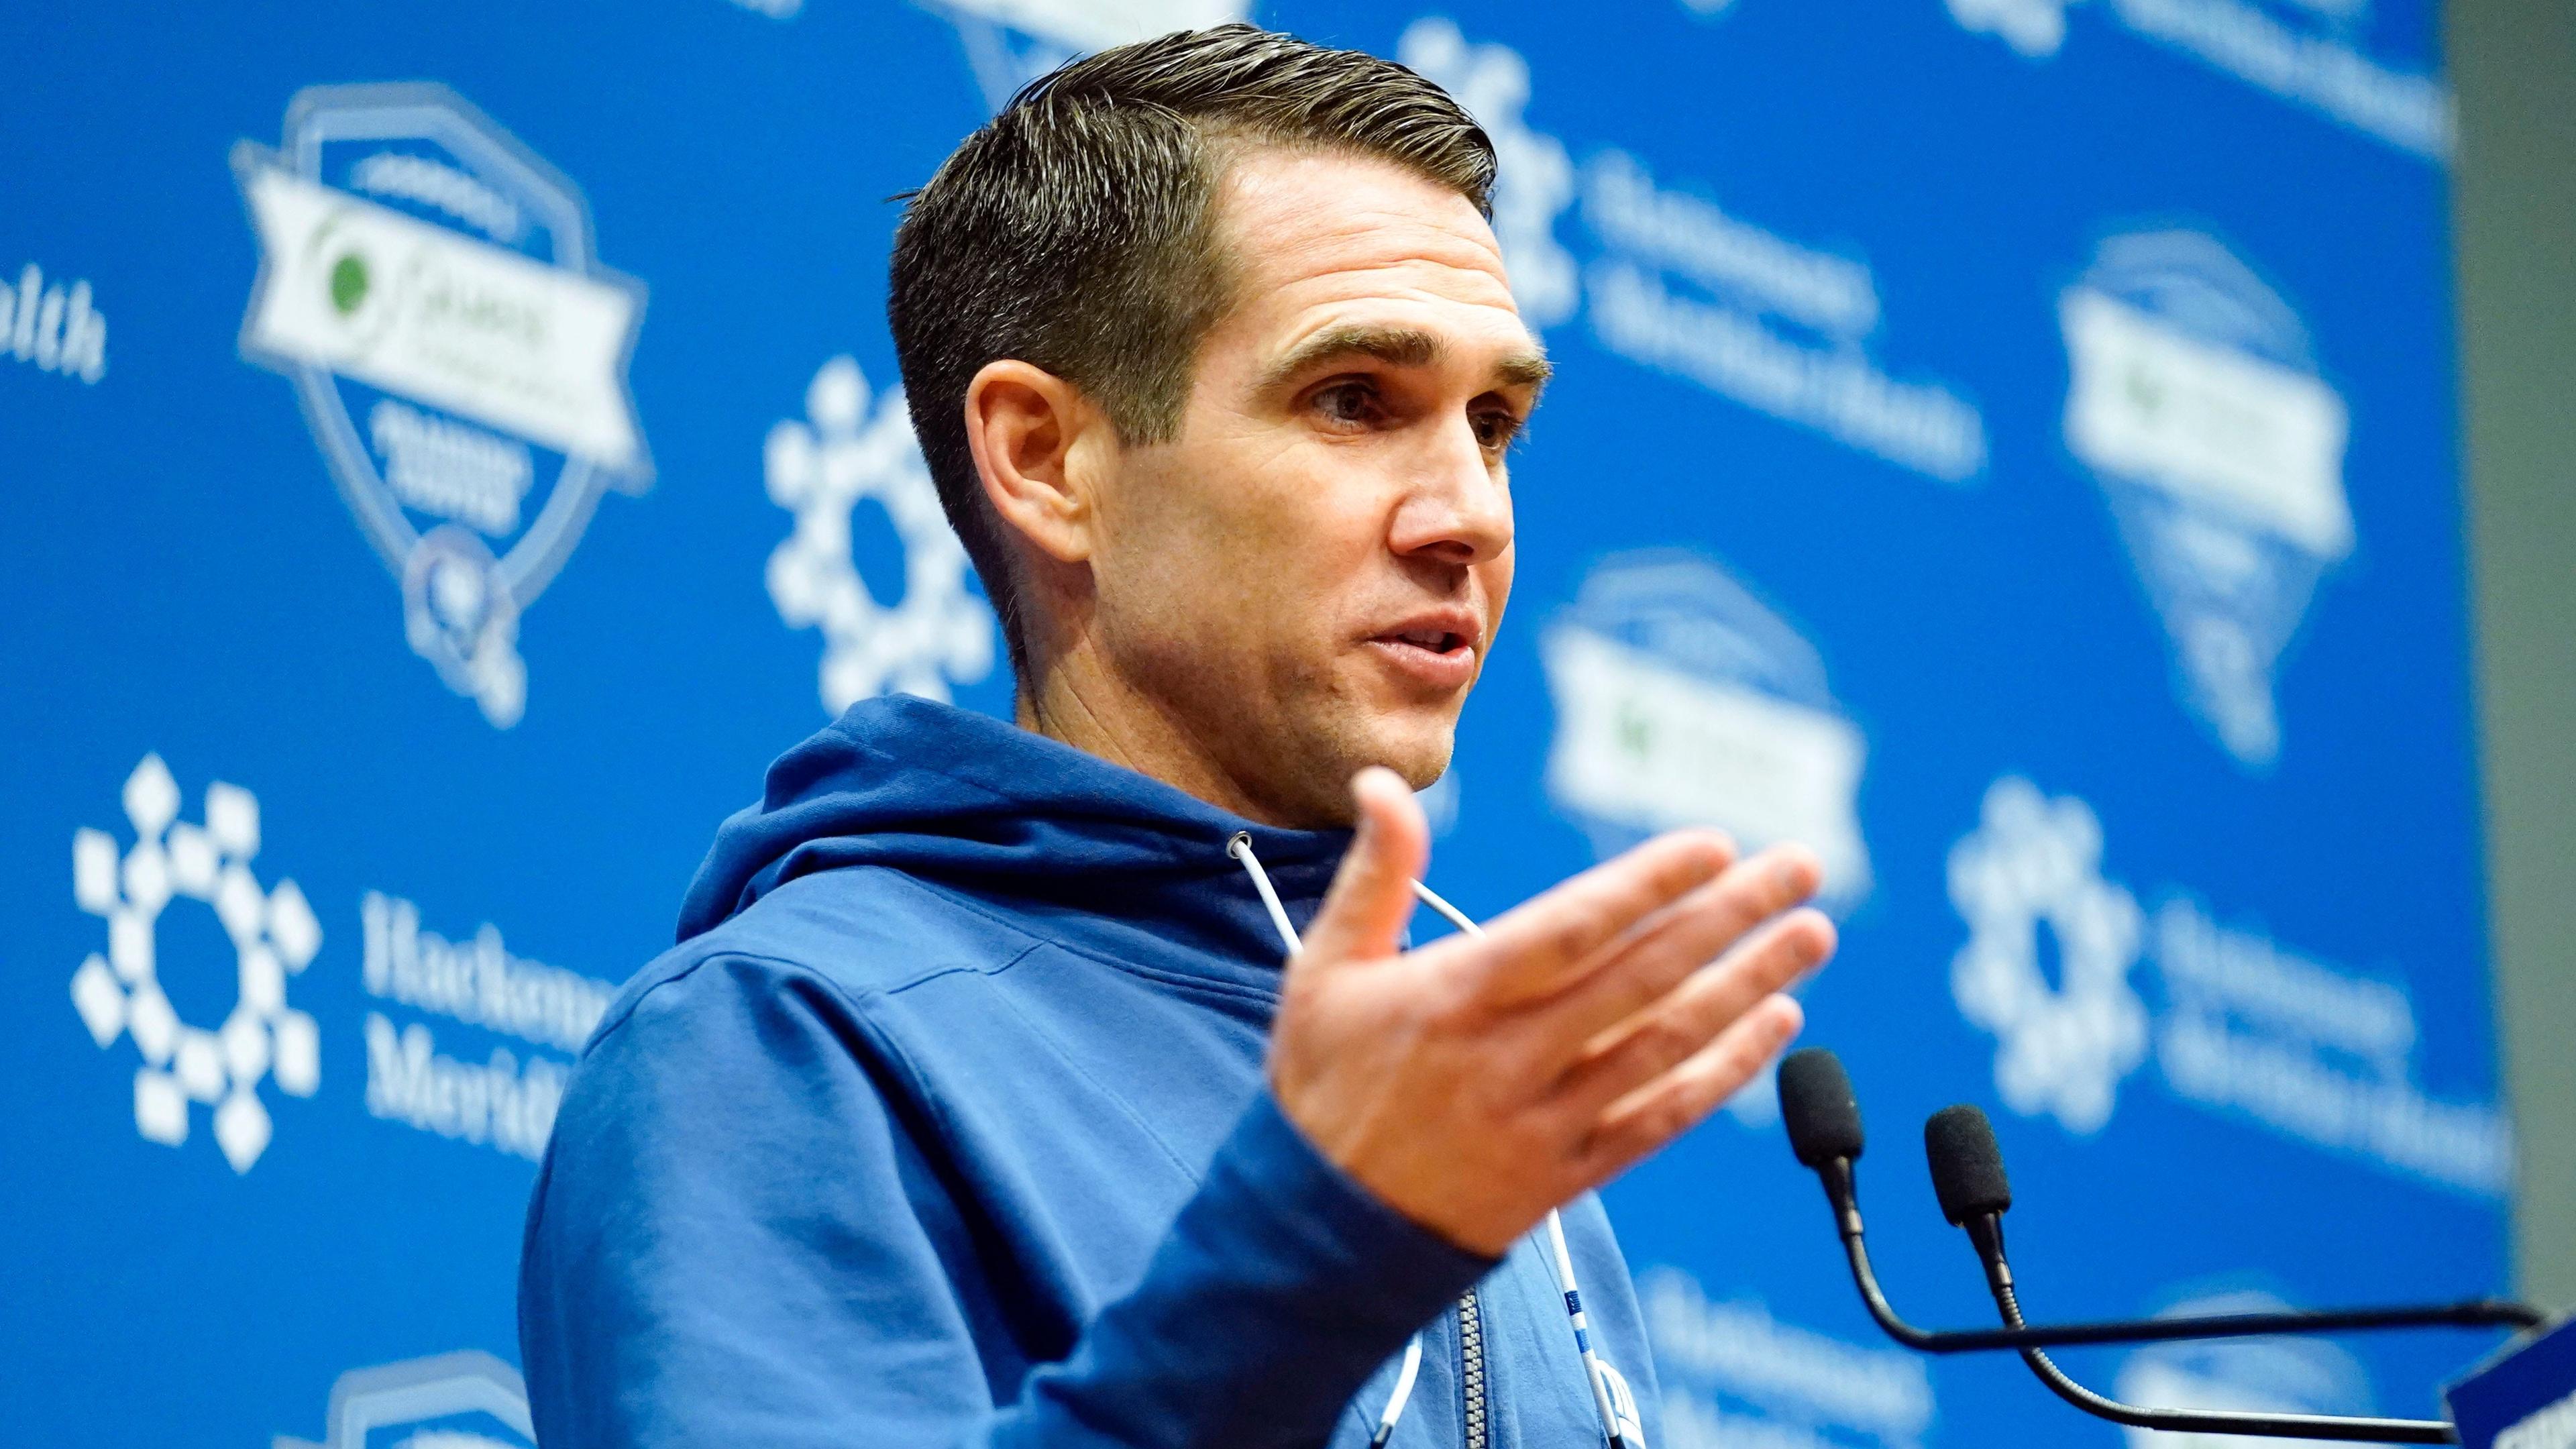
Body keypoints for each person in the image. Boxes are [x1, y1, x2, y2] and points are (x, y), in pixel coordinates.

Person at [518, 23, 1836, 1449]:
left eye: (1496, 420)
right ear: (1045, 460)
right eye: (1354, 401)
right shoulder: (782, 1043)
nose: (1472, 516)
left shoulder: (1457, 1098)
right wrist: (1320, 1258)